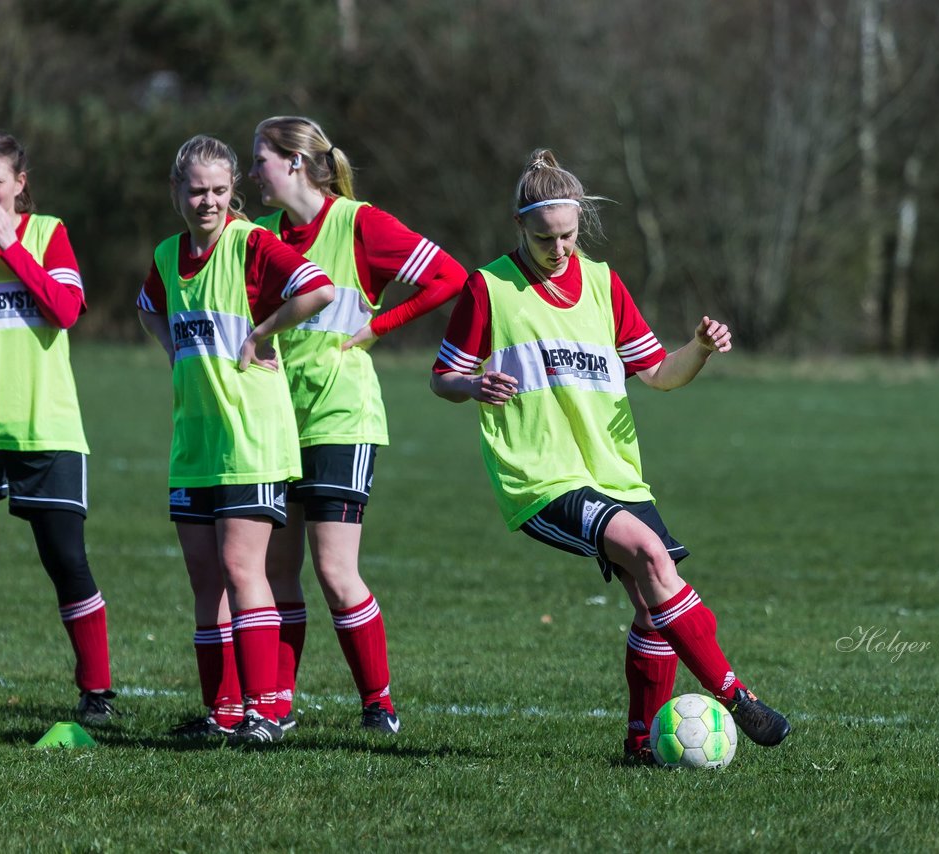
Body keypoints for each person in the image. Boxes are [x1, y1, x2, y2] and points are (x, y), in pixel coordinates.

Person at [430, 149, 791, 763]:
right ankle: (737, 697)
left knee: (657, 608)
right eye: (545, 238)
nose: (559, 249)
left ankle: (640, 745)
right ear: (520, 226)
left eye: (569, 235)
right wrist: (473, 385)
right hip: (541, 476)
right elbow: (443, 376)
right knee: (652, 556)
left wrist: (699, 350)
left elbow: (658, 376)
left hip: (614, 473)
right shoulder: (489, 287)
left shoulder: (603, 283)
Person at [248, 116, 466, 734]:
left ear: (293, 162)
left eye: (259, 159)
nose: (250, 173)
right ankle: (275, 709)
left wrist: (379, 327)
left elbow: (450, 277)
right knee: (275, 571)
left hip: (341, 416)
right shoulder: (259, 235)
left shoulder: (359, 223)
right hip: (273, 419)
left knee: (335, 571)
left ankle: (379, 704)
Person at [137, 134, 334, 745]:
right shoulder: (169, 255)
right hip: (194, 442)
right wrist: (173, 349)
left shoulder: (251, 243)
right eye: (197, 191)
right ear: (177, 192)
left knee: (240, 566)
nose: (209, 202)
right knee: (204, 580)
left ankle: (265, 712)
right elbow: (148, 307)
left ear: (234, 193)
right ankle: (221, 712)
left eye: (221, 191)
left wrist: (264, 332)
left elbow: (319, 289)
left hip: (250, 439)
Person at [0, 130, 118, 725]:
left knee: (66, 559)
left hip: (45, 428)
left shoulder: (49, 233)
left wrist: (11, 248)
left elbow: (66, 310)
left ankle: (97, 693)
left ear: (20, 186)